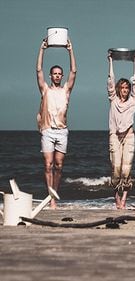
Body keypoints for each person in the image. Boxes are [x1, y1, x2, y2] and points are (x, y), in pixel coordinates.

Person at [36, 38, 76, 209]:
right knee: (48, 165)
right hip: (47, 130)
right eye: (55, 73)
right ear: (51, 76)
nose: (58, 76)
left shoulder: (66, 90)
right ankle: (50, 196)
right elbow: (38, 70)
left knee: (58, 166)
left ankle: (54, 195)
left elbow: (74, 71)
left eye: (60, 73)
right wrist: (42, 48)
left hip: (62, 132)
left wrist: (70, 50)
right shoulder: (45, 89)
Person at [107, 52, 135, 209]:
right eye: (123, 87)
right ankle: (116, 198)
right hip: (115, 136)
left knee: (126, 169)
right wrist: (111, 61)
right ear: (119, 89)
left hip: (129, 137)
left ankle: (124, 199)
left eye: (127, 88)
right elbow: (111, 81)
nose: (125, 90)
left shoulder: (133, 101)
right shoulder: (113, 99)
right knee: (116, 169)